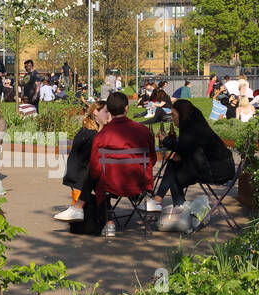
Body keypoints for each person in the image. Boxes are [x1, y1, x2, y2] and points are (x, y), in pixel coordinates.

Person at [145, 100, 236, 215]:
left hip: (216, 171)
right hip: (223, 167)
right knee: (174, 165)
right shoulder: (197, 124)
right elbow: (187, 148)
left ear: (182, 114)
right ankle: (168, 204)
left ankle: (176, 208)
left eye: (173, 115)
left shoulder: (191, 129)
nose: (172, 118)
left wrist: (166, 140)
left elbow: (184, 148)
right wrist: (179, 152)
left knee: (174, 177)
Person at [89, 91, 157, 237]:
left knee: (98, 177)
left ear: (110, 110)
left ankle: (109, 223)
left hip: (110, 185)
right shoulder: (144, 131)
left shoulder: (101, 135)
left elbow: (95, 167)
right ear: (126, 108)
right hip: (139, 183)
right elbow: (152, 158)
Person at [54, 100, 109, 221]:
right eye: (106, 111)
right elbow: (90, 161)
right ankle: (105, 219)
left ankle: (87, 212)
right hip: (82, 178)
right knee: (96, 173)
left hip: (86, 178)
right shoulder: (89, 133)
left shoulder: (96, 131)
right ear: (95, 112)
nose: (108, 115)